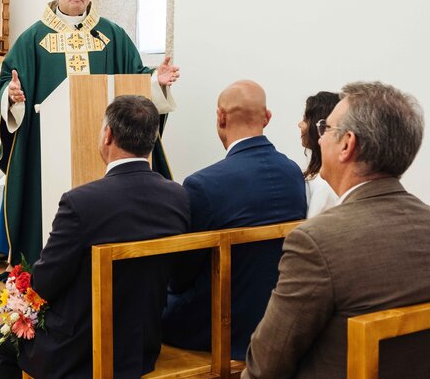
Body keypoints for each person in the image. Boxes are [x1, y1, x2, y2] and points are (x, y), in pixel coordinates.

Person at [0, 0, 180, 265]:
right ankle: (50, 266)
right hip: (50, 149)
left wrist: (153, 82)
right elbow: (7, 83)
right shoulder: (33, 39)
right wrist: (12, 97)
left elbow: (134, 78)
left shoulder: (111, 35)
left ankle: (114, 261)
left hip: (110, 143)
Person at [0, 95, 190, 379]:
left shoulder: (81, 202)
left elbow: (45, 283)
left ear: (108, 135)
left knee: (1, 341)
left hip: (80, 352)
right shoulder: (178, 197)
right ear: (152, 139)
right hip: (142, 347)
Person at [243, 81, 430, 379]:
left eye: (325, 128)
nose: (319, 139)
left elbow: (265, 367)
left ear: (347, 144)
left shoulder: (316, 242)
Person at [161, 80, 306, 360]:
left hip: (217, 327)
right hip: (276, 320)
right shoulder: (292, 173)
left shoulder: (203, 184)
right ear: (267, 118)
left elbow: (180, 278)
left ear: (221, 117)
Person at [298, 91, 340, 217]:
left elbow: (312, 226)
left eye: (305, 119)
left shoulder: (324, 185)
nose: (299, 124)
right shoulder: (318, 177)